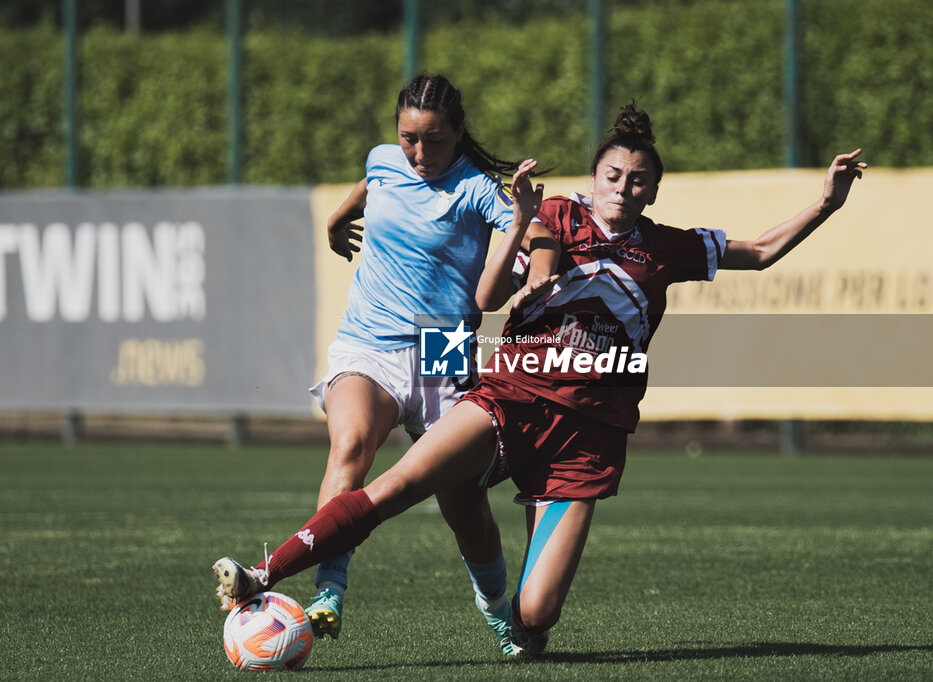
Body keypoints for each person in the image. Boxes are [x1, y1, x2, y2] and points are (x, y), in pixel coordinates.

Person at [214, 103, 865, 655]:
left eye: (639, 180)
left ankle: (511, 613)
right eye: (614, 174)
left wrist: (826, 204)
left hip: (591, 438)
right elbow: (495, 290)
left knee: (535, 620)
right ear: (594, 175)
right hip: (511, 400)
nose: (624, 187)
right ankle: (262, 574)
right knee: (391, 486)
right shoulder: (556, 216)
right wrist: (529, 272)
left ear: (654, 191)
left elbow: (759, 252)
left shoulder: (667, 247)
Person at [305, 72, 555, 654]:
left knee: (465, 511)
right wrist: (336, 219)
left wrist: (536, 283)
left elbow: (541, 239)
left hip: (443, 350)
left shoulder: (478, 189)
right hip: (368, 342)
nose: (419, 154)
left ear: (459, 132)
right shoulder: (386, 160)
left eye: (434, 140)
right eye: (409, 138)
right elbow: (372, 183)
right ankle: (328, 591)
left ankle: (498, 611)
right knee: (350, 449)